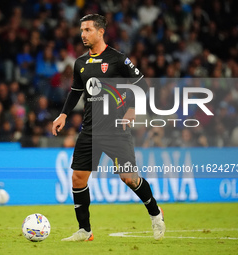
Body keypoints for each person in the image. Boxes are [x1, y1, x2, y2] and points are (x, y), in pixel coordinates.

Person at [52, 14, 165, 242]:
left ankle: (155, 213)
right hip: (90, 131)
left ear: (101, 31)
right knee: (78, 179)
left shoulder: (118, 59)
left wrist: (132, 109)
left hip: (116, 130)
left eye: (87, 30)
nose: (83, 34)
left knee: (129, 178)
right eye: (81, 30)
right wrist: (63, 114)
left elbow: (142, 85)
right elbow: (76, 92)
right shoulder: (80, 63)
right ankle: (85, 230)